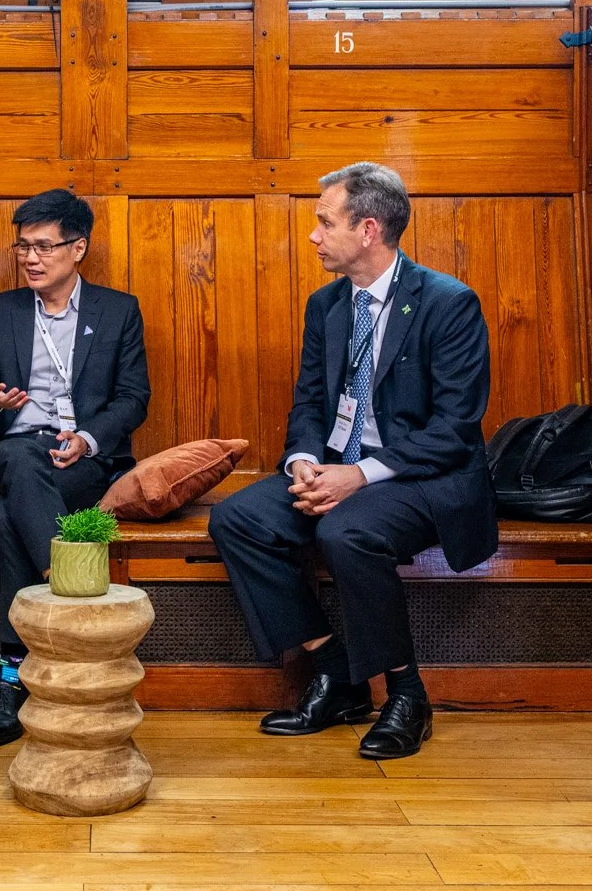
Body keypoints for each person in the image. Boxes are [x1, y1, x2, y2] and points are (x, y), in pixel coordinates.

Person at [208, 163, 498, 760]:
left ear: (368, 230)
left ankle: (407, 696)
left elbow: (454, 429)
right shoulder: (327, 305)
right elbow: (310, 401)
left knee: (346, 530)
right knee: (238, 519)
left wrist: (360, 475)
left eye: (324, 222)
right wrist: (303, 461)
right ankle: (336, 674)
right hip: (338, 465)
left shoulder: (448, 303)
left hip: (423, 476)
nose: (313, 235)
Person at [0, 190, 151, 747]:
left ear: (78, 248)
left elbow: (133, 398)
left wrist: (87, 440)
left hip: (78, 461)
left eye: (43, 246)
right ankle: (67, 589)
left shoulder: (118, 310)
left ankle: (10, 675)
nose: (30, 258)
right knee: (20, 459)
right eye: (23, 247)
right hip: (7, 451)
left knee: (4, 517)